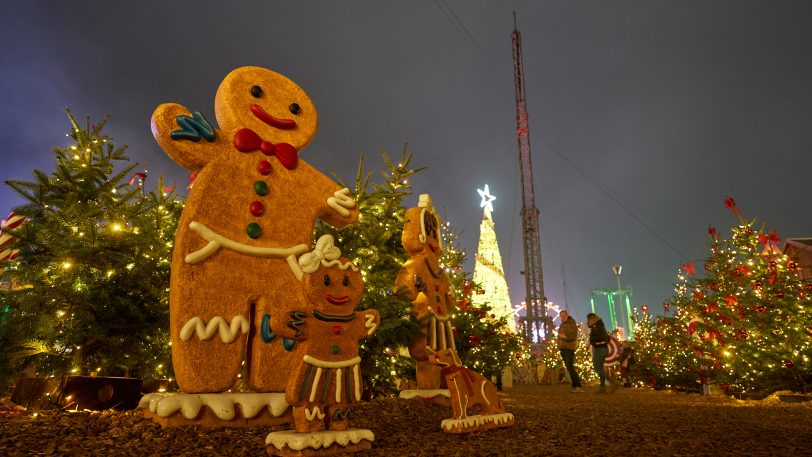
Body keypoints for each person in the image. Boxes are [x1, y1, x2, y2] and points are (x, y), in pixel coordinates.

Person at [587, 313, 616, 393]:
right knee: (600, 368)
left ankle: (611, 381)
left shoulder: (596, 327)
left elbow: (600, 337)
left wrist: (594, 342)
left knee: (597, 368)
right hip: (603, 349)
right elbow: (607, 338)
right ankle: (602, 388)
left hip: (600, 349)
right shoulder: (600, 326)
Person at [557, 310, 582, 392]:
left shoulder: (571, 324)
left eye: (564, 315)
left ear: (567, 315)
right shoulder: (562, 324)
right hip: (563, 347)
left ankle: (577, 385)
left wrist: (565, 337)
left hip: (569, 348)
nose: (562, 317)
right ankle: (575, 385)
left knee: (570, 367)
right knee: (568, 367)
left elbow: (574, 335)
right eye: (561, 316)